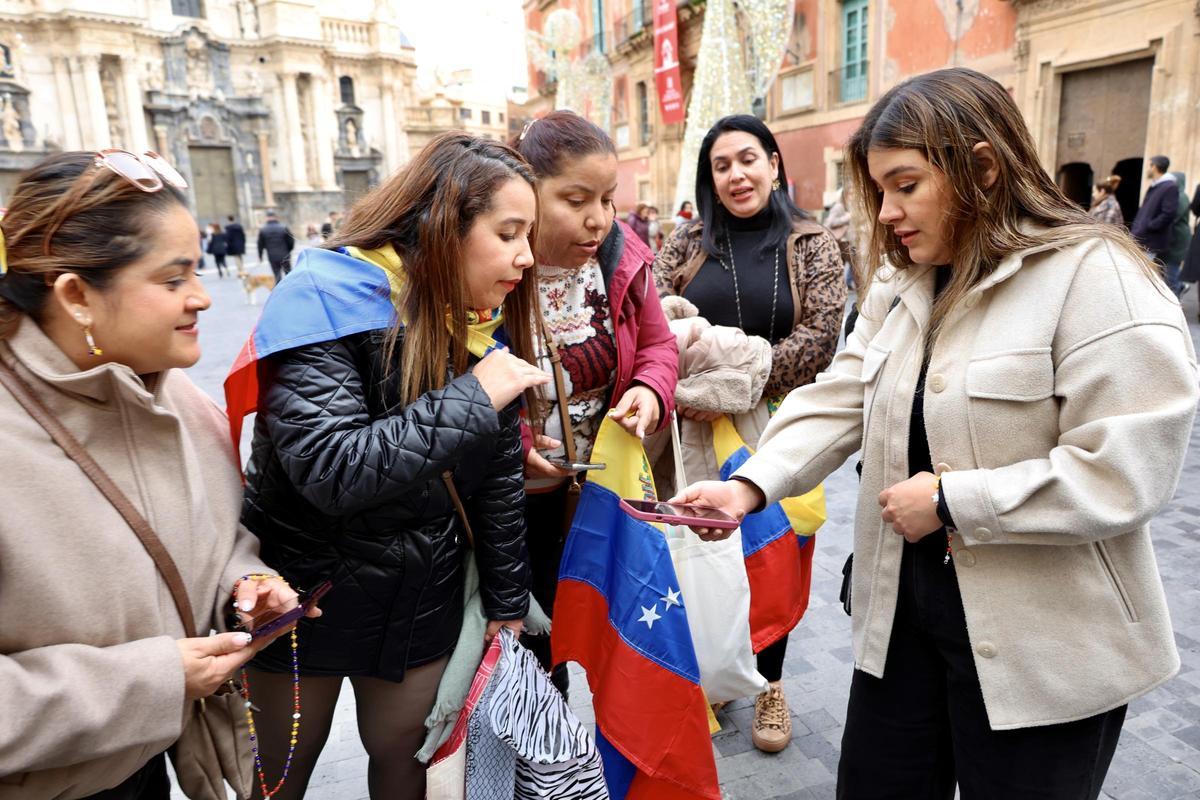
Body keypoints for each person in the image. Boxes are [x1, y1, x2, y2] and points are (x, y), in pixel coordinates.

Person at [673, 68, 1197, 798]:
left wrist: (955, 501)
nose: (887, 212)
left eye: (906, 185)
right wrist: (747, 486)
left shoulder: (1095, 276)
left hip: (1046, 650)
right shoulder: (904, 281)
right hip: (901, 624)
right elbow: (843, 394)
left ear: (982, 168)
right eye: (879, 190)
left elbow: (1127, 468)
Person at [237, 133, 544, 800]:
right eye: (508, 233)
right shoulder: (321, 296)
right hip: (301, 599)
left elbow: (498, 484)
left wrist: (507, 602)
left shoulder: (479, 319)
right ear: (441, 227)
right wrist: (475, 396)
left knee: (408, 767)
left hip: (418, 600)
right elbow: (330, 468)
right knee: (277, 778)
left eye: (529, 235)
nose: (526, 256)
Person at [0, 150, 305, 799]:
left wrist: (242, 582)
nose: (202, 297)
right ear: (77, 296)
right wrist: (155, 679)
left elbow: (205, 535)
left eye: (195, 270)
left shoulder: (179, 400)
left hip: (153, 765)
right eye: (172, 279)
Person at [653, 114, 846, 753]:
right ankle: (715, 667)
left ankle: (771, 682)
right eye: (721, 165)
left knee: (773, 554)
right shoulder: (685, 243)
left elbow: (820, 340)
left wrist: (734, 387)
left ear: (773, 164)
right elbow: (650, 320)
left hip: (778, 422)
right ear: (709, 178)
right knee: (700, 546)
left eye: (747, 159)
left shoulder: (812, 243)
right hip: (690, 428)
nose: (736, 174)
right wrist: (690, 389)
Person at [512, 110, 678, 696]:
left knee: (612, 630)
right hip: (515, 505)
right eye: (577, 199)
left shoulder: (620, 256)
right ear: (526, 189)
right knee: (535, 645)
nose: (599, 220)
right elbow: (452, 377)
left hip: (601, 488)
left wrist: (648, 388)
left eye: (608, 199)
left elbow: (658, 344)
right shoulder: (495, 262)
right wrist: (516, 440)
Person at [1130, 155, 1179, 288]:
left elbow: (1168, 213)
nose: (1148, 169)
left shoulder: (1169, 187)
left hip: (1151, 240)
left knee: (1143, 277)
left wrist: (1149, 226)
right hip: (1143, 237)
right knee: (1138, 274)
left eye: (1150, 165)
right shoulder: (1156, 186)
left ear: (1155, 167)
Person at [1164, 171, 1191, 296]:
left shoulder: (1181, 197)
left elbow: (1173, 217)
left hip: (1178, 240)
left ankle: (1176, 294)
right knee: (1169, 269)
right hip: (1174, 238)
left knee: (1172, 269)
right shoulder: (1176, 195)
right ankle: (1180, 286)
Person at [257, 210, 295, 282]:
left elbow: (260, 245)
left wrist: (260, 256)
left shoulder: (263, 229)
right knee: (289, 274)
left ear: (267, 217)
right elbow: (291, 241)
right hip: (284, 254)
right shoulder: (283, 227)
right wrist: (289, 250)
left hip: (272, 256)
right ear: (275, 217)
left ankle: (279, 288)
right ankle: (292, 287)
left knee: (277, 276)